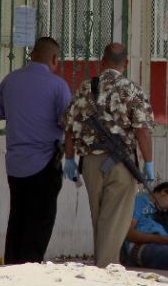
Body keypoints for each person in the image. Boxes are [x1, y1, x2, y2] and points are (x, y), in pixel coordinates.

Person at [61, 42, 155, 268]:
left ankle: (103, 267)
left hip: (90, 163)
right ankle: (105, 270)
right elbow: (142, 130)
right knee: (114, 221)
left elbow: (69, 127)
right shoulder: (132, 89)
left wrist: (70, 159)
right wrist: (148, 163)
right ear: (126, 64)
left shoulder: (85, 88)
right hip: (122, 165)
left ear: (101, 62)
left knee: (100, 218)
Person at [0, 36, 72, 264]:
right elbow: (68, 123)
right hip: (45, 162)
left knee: (17, 217)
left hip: (15, 164)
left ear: (31, 55)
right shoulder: (58, 86)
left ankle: (12, 265)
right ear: (55, 59)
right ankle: (29, 270)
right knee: (39, 223)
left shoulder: (10, 80)